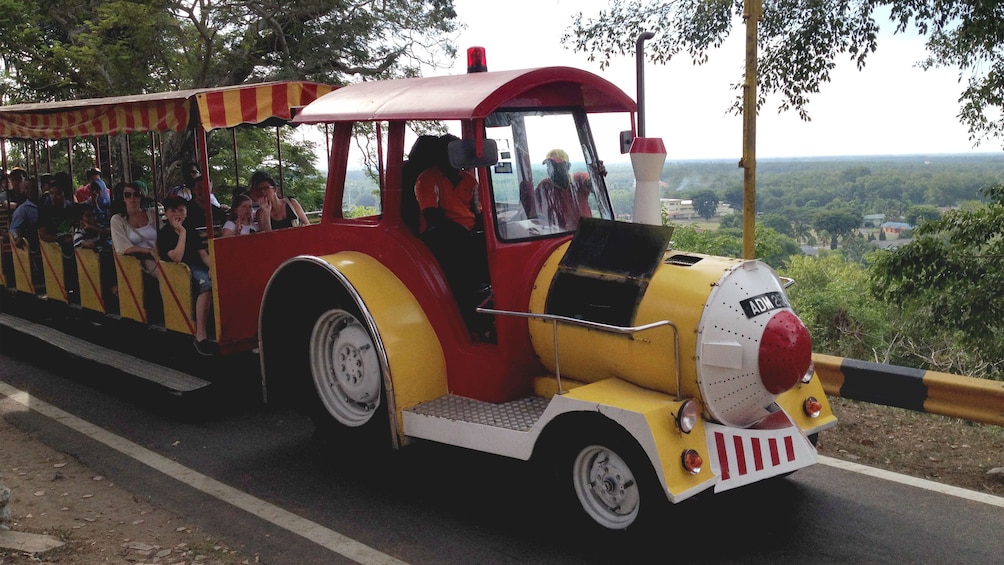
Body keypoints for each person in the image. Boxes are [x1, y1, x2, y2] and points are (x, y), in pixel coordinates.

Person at [413, 134, 491, 337]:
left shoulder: (469, 179)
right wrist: (465, 234)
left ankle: (489, 299)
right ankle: (469, 312)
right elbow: (432, 216)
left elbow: (479, 210)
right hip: (439, 234)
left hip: (468, 231)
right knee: (457, 241)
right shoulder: (428, 179)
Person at [157, 196, 215, 355]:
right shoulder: (165, 234)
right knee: (206, 286)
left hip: (198, 266)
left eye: (181, 210)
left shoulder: (191, 228)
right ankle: (201, 335)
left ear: (187, 213)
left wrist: (214, 268)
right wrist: (182, 233)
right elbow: (176, 257)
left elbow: (202, 254)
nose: (177, 214)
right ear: (166, 214)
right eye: (173, 210)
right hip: (180, 270)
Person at [533, 148, 592, 231]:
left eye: (555, 165)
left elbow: (591, 183)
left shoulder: (577, 180)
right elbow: (534, 214)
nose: (551, 169)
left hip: (584, 234)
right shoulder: (544, 186)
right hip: (559, 237)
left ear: (568, 166)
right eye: (549, 165)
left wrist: (596, 174)